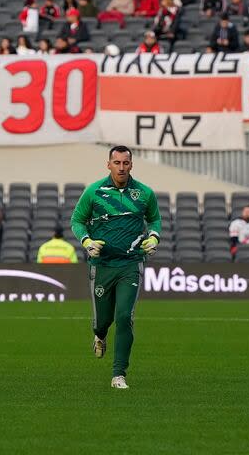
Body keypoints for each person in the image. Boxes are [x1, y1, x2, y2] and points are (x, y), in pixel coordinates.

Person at [71, 146, 162, 390]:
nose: (121, 167)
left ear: (131, 165)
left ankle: (118, 374)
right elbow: (77, 220)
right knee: (103, 320)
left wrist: (153, 237)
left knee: (124, 317)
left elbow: (154, 219)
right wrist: (87, 241)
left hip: (130, 264)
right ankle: (99, 335)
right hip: (101, 265)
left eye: (125, 163)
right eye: (116, 162)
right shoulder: (94, 192)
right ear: (108, 164)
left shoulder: (144, 193)